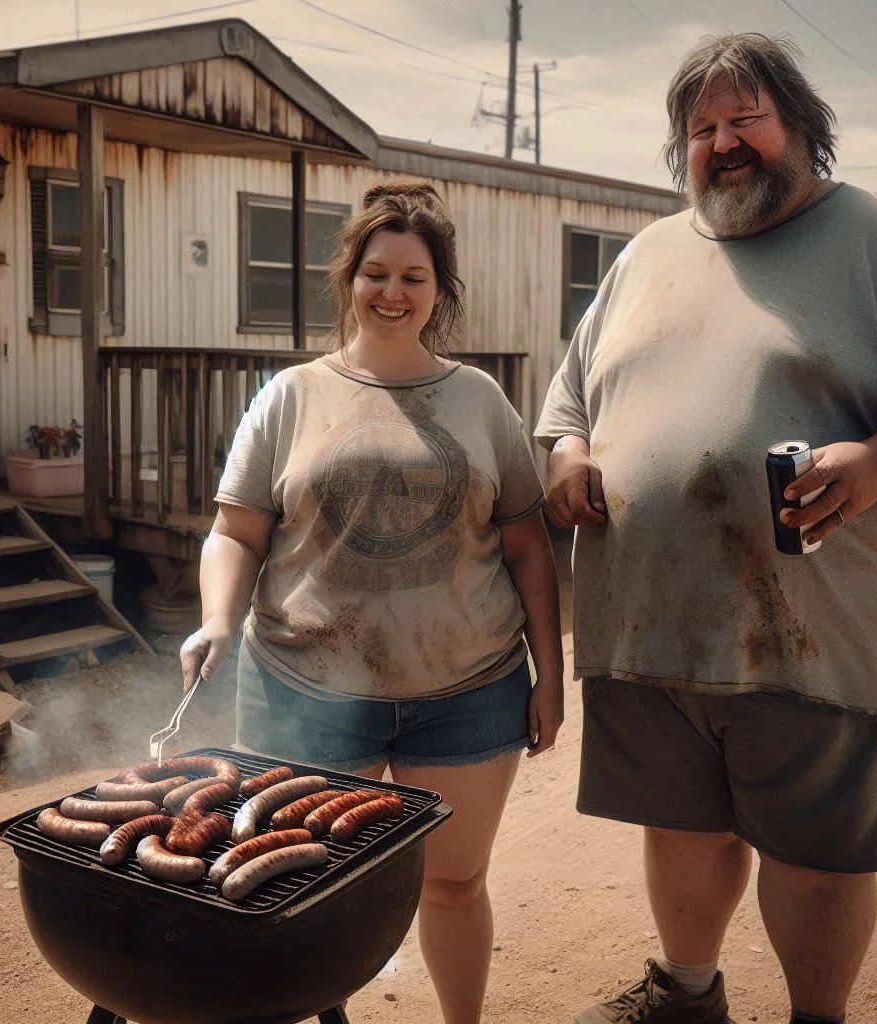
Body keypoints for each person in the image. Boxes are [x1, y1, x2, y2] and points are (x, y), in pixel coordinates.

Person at [536, 34, 877, 1024]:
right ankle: (686, 994)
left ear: (798, 124)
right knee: (679, 827)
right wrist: (568, 457)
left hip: (826, 630)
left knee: (814, 855)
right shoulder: (646, 254)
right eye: (701, 127)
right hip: (655, 623)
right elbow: (569, 395)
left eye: (743, 116)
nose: (722, 141)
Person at [181, 179, 565, 1024]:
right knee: (303, 890)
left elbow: (529, 544)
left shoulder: (480, 399)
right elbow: (236, 533)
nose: (393, 293)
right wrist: (217, 619)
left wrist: (551, 673)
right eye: (377, 273)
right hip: (303, 687)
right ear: (349, 279)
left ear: (440, 291)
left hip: (467, 690)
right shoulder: (291, 395)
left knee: (455, 884)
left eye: (414, 278)